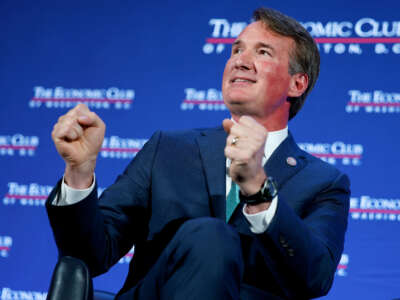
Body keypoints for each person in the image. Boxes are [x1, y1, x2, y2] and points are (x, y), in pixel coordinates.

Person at [46, 7, 350, 300]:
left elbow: (316, 277)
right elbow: (87, 257)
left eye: (263, 52)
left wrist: (259, 193)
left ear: (297, 84)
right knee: (211, 237)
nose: (240, 61)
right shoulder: (168, 149)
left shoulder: (323, 182)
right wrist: (79, 172)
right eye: (236, 50)